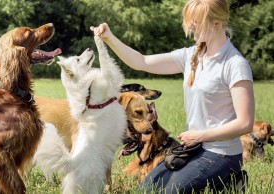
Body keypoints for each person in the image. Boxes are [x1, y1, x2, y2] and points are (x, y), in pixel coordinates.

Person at [91, 0, 254, 193]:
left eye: (196, 21)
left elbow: (245, 123)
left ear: (216, 23)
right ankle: (224, 184)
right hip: (194, 149)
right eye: (189, 20)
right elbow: (141, 61)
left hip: (221, 154)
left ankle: (229, 178)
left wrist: (200, 135)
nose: (190, 26)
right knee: (146, 189)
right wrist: (109, 38)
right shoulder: (191, 56)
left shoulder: (235, 64)